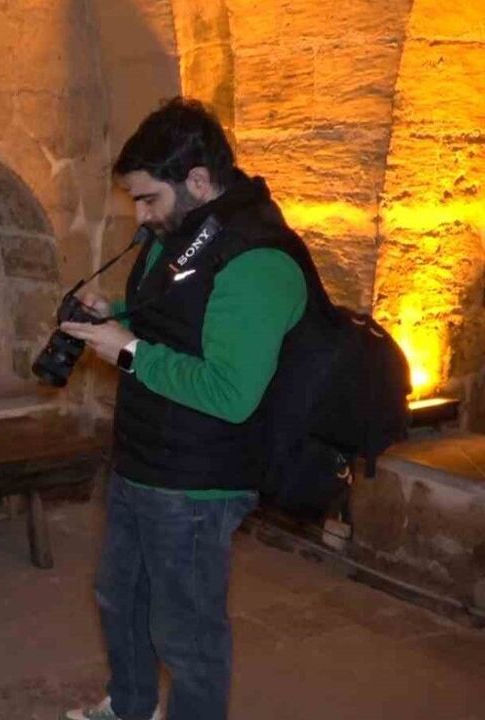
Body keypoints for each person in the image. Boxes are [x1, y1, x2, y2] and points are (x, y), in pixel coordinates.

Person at [59, 97, 327, 720]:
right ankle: (129, 709)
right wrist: (116, 319)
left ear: (199, 181)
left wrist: (127, 352)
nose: (141, 214)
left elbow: (232, 395)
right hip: (144, 457)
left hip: (200, 481)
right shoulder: (179, 232)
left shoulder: (259, 259)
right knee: (119, 597)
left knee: (187, 633)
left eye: (149, 198)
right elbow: (175, 320)